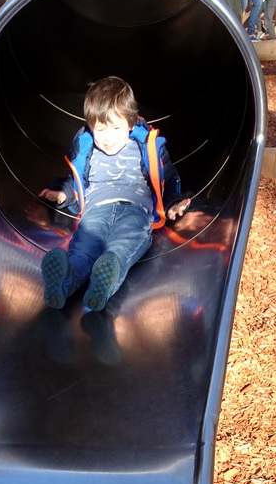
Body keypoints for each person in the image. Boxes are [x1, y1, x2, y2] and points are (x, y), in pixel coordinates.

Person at [38, 76, 191, 312]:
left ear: (131, 124)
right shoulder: (88, 149)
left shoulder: (145, 146)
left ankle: (104, 284)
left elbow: (168, 178)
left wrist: (172, 203)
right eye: (100, 129)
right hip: (96, 210)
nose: (108, 137)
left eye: (116, 128)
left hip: (135, 211)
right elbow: (76, 179)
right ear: (90, 126)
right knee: (83, 249)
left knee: (121, 247)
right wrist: (62, 194)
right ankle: (62, 284)